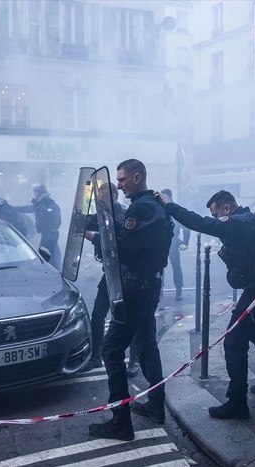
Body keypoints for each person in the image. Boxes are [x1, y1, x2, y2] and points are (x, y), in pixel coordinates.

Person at [156, 189, 255, 420]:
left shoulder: (237, 222)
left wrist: (169, 207)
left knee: (234, 341)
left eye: (217, 214)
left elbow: (200, 223)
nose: (216, 219)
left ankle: (237, 402)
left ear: (227, 208)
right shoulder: (252, 219)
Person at [89, 159, 172, 441]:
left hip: (136, 289)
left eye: (123, 179)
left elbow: (123, 246)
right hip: (148, 287)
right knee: (147, 346)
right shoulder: (154, 205)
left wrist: (97, 237)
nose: (120, 184)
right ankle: (156, 407)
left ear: (137, 178)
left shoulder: (141, 208)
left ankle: (120, 422)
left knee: (111, 351)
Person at [84, 182, 140, 377]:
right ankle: (94, 357)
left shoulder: (123, 214)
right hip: (109, 272)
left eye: (104, 197)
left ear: (114, 197)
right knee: (98, 315)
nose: (101, 201)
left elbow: (116, 241)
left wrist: (93, 237)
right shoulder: (102, 214)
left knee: (128, 317)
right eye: (99, 198)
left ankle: (134, 360)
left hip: (124, 274)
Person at [18, 184, 62, 269]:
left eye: (35, 192)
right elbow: (30, 208)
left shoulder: (43, 204)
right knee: (54, 252)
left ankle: (51, 271)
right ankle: (57, 269)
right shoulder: (46, 203)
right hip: (52, 233)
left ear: (38, 192)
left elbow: (35, 211)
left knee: (44, 254)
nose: (34, 195)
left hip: (48, 233)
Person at [159, 189, 190, 301]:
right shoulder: (160, 209)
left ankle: (178, 290)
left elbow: (185, 227)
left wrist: (185, 242)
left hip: (172, 241)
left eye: (165, 197)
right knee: (160, 267)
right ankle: (160, 290)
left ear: (170, 197)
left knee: (176, 266)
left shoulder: (174, 209)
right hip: (162, 242)